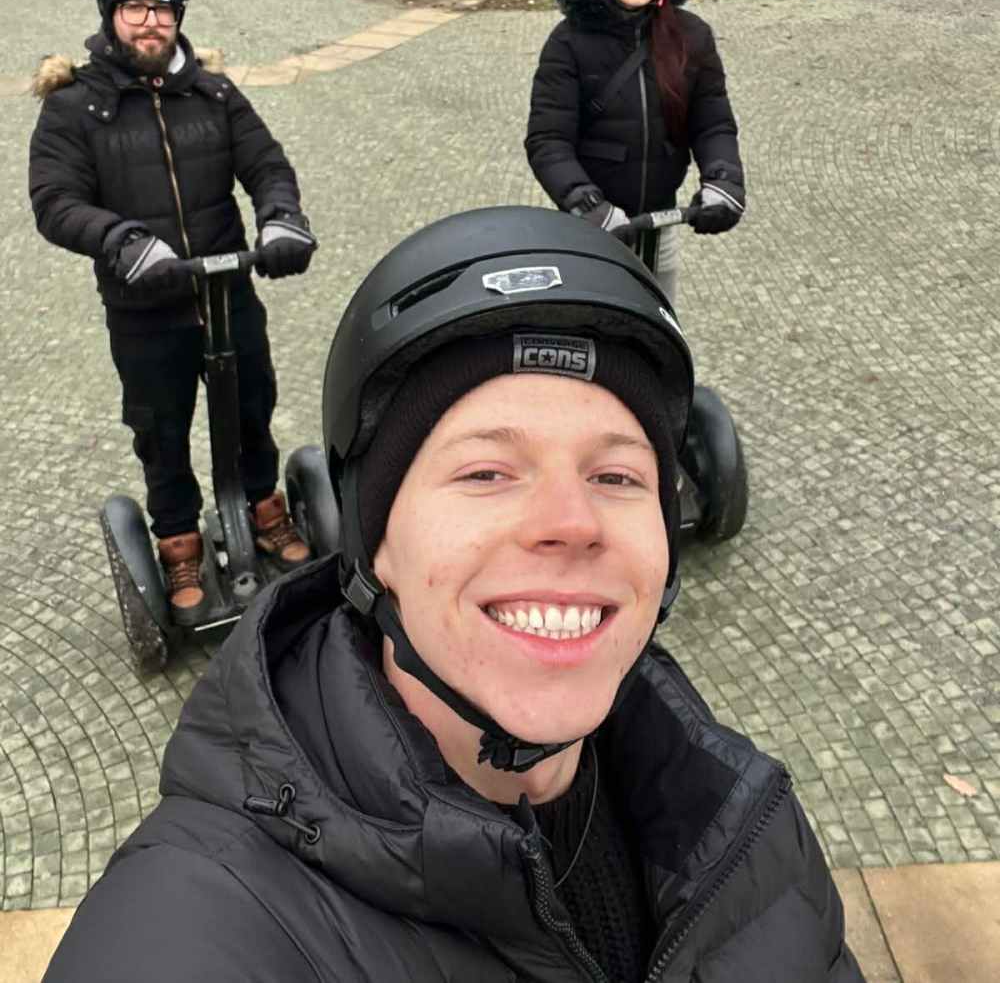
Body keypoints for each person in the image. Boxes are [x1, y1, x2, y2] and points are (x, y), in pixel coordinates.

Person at [44, 207, 864, 983]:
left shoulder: (747, 828)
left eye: (617, 474)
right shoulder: (191, 929)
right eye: (486, 473)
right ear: (374, 541)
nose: (571, 522)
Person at [28, 0, 318, 624]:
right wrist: (123, 241)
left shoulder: (213, 92)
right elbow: (55, 201)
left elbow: (267, 164)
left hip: (227, 289)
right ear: (110, 14)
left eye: (163, 9)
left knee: (252, 407)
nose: (150, 23)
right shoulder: (75, 106)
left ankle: (263, 507)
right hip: (144, 306)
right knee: (161, 428)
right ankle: (179, 540)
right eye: (134, 9)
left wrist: (280, 220)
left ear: (180, 14)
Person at [526, 0, 745, 306]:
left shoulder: (692, 35)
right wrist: (583, 201)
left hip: (659, 220)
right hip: (594, 225)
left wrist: (724, 179)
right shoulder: (568, 43)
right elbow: (547, 140)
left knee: (659, 322)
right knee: (598, 324)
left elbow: (713, 121)